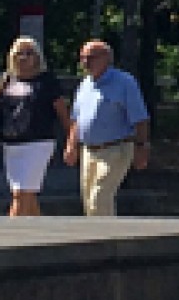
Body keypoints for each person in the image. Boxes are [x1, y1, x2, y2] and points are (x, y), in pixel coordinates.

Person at [0, 36, 71, 217]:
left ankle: (12, 235)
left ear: (37, 57)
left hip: (38, 143)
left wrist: (71, 141)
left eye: (29, 53)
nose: (24, 57)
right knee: (27, 195)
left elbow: (62, 112)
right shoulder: (7, 81)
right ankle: (39, 234)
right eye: (19, 53)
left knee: (20, 194)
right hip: (12, 144)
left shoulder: (46, 82)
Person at [64, 39, 150, 216]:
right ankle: (95, 238)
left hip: (116, 149)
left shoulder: (125, 82)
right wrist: (71, 145)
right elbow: (76, 119)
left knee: (100, 197)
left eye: (91, 57)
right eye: (83, 58)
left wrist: (142, 147)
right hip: (88, 151)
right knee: (89, 202)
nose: (86, 62)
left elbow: (140, 118)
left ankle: (106, 241)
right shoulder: (85, 84)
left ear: (107, 58)